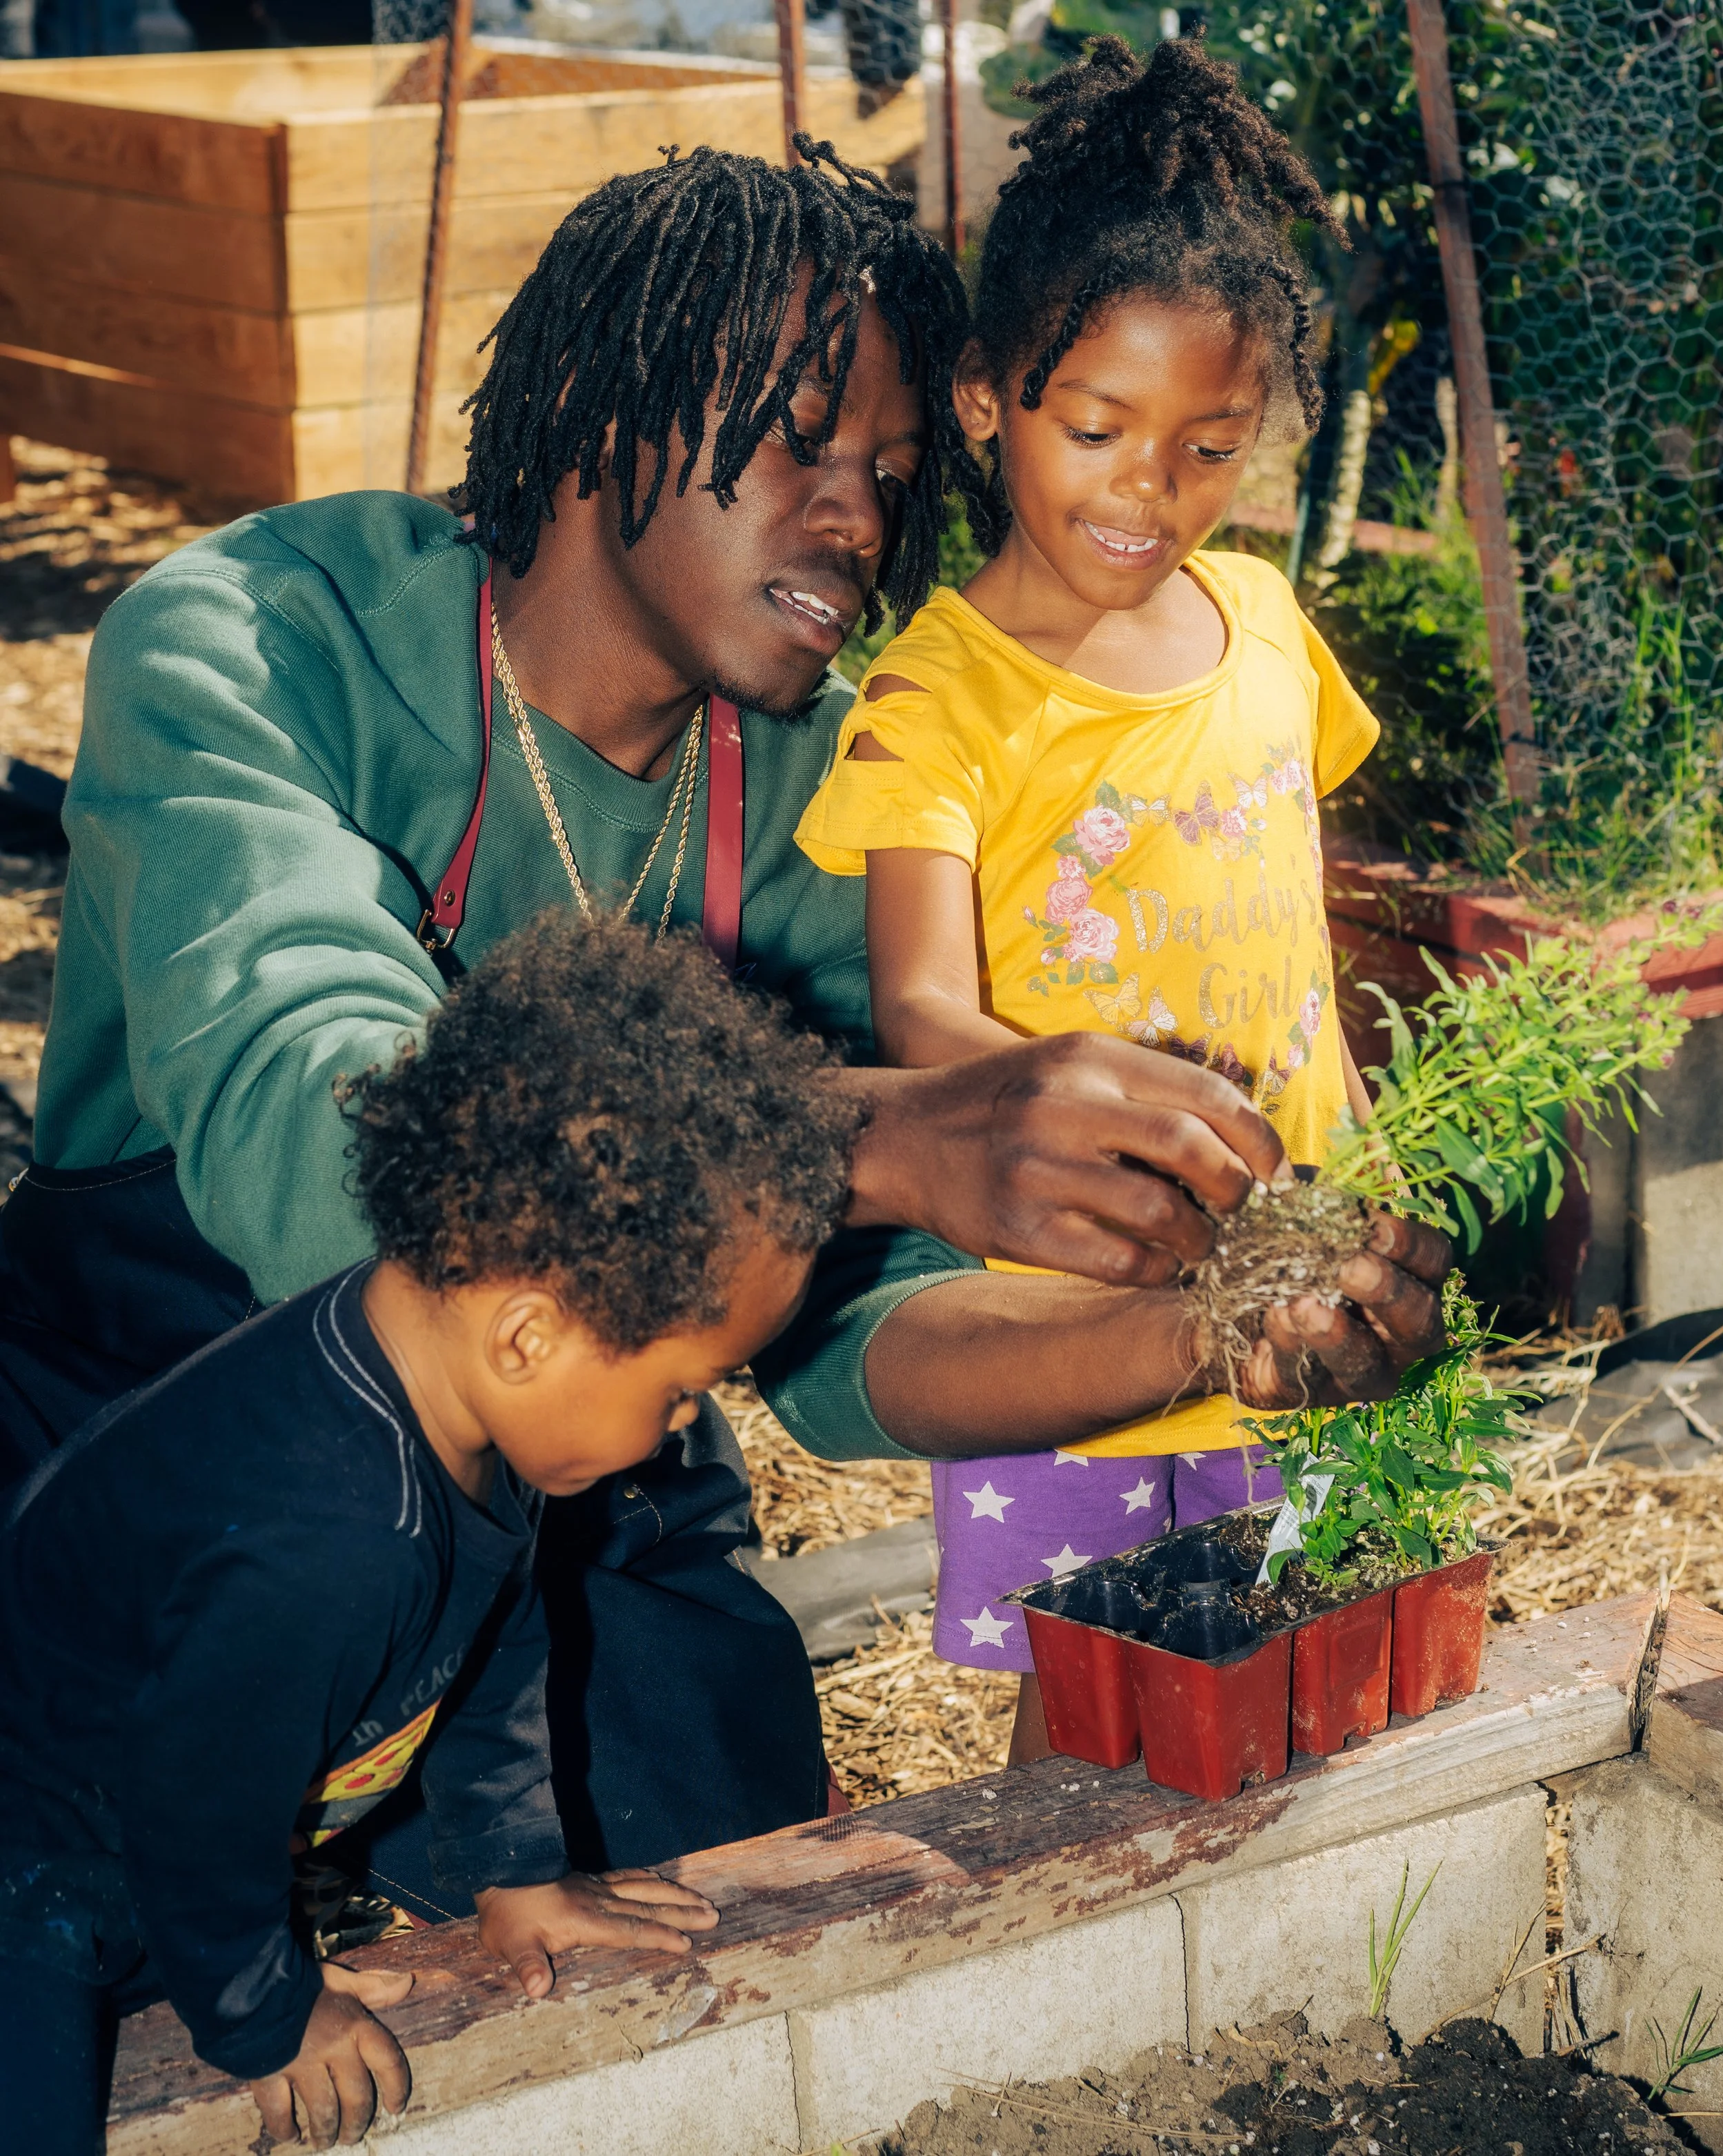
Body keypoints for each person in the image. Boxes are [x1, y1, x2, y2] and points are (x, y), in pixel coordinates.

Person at [1, 142, 1446, 1873]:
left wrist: (1209, 1341)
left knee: (716, 1853)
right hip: (164, 1407)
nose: (859, 517)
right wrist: (892, 1132)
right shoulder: (259, 639)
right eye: (800, 442)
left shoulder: (811, 792)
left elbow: (862, 1342)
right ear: (609, 414)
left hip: (569, 1471)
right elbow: (329, 1157)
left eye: (896, 471)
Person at [0, 910, 871, 2155]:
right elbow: (198, 1797)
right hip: (36, 1864)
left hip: (141, 1836)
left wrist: (516, 1873)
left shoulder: (456, 1405)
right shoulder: (334, 1529)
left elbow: (489, 1646)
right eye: (684, 1387)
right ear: (529, 1336)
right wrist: (267, 2014)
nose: (690, 1423)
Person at [795, 38, 1405, 1759]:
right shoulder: (938, 694)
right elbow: (922, 1008)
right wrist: (1107, 1149)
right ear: (987, 399)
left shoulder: (1264, 625)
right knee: (1094, 1711)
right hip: (1083, 1304)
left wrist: (1355, 1150)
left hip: (1302, 1278)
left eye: (1207, 447)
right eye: (1099, 431)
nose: (1147, 492)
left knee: (1318, 1668)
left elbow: (1295, 911)